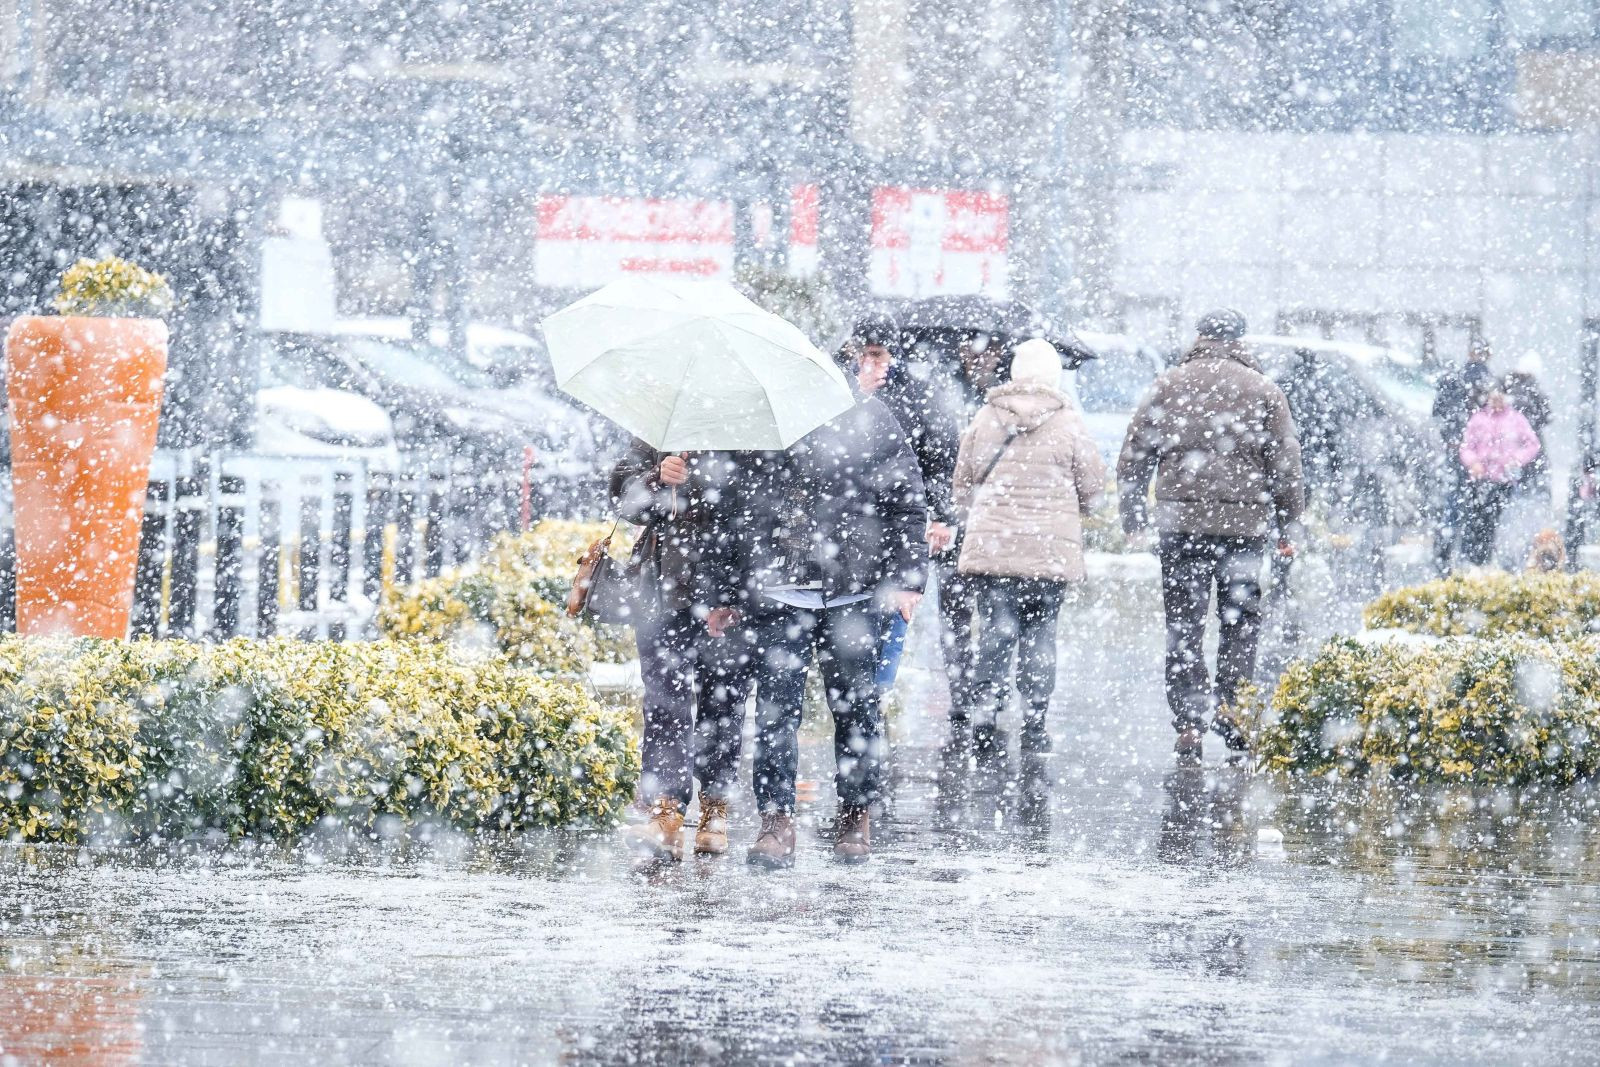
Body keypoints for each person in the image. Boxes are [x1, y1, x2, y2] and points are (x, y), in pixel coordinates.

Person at [698, 388, 928, 869]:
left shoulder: (869, 417)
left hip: (855, 593)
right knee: (776, 713)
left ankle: (854, 812)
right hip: (779, 593)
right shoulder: (762, 420)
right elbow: (732, 508)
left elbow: (906, 503)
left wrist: (907, 580)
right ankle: (776, 819)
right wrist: (723, 590)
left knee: (857, 709)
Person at [1117, 309, 1304, 760]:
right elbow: (1286, 463)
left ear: (1200, 336)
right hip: (1244, 526)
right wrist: (1287, 523)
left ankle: (1188, 721)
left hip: (1181, 526)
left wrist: (1133, 518)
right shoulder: (1264, 389)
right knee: (1240, 622)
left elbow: (1134, 454)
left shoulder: (1169, 384)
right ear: (1241, 340)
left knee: (1184, 624)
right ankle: (1232, 712)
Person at [951, 339, 1105, 757]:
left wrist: (983, 517)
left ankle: (985, 712)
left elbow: (962, 485)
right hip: (1048, 553)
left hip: (994, 549)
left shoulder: (985, 417)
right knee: (1040, 634)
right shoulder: (1069, 422)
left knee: (996, 632)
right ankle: (1035, 720)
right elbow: (1092, 489)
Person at [610, 444, 739, 861]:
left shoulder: (745, 432)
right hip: (661, 590)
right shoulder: (660, 424)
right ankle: (666, 808)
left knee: (723, 700)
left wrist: (735, 591)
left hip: (726, 587)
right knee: (665, 702)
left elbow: (756, 507)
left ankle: (715, 806)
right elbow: (623, 498)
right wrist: (655, 479)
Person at [1458, 386, 1541, 567]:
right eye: (1493, 397)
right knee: (1479, 524)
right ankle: (1478, 562)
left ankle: (1501, 562)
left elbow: (1533, 444)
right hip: (1481, 481)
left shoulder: (1516, 419)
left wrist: (1516, 460)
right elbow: (1466, 447)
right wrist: (1473, 462)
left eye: (1500, 397)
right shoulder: (1478, 419)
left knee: (1501, 523)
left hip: (1505, 481)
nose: (1497, 401)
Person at [1430, 341, 1494, 573]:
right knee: (1476, 506)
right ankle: (1470, 557)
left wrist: (1452, 438)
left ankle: (1444, 555)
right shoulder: (1485, 380)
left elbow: (1437, 412)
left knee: (1453, 503)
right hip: (1477, 454)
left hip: (1455, 447)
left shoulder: (1453, 379)